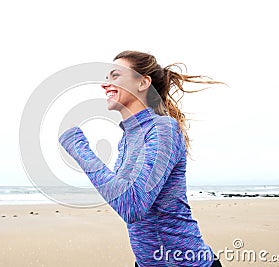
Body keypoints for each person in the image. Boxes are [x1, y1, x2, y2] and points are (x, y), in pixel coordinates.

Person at [59, 50, 223, 267]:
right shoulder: (127, 138)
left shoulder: (163, 129)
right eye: (107, 78)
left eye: (115, 76)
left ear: (143, 83)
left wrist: (79, 148)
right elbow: (124, 198)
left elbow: (132, 206)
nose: (105, 84)